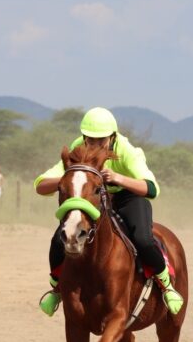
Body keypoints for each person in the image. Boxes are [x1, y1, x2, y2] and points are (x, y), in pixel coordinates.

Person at [33, 107, 184, 317]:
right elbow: (40, 185)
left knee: (142, 238)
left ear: (112, 137)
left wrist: (118, 178)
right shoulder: (78, 148)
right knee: (59, 239)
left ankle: (166, 284)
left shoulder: (127, 151)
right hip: (94, 199)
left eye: (100, 140)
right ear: (83, 137)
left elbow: (151, 188)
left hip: (129, 196)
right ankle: (57, 287)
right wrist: (73, 176)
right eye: (90, 140)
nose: (94, 145)